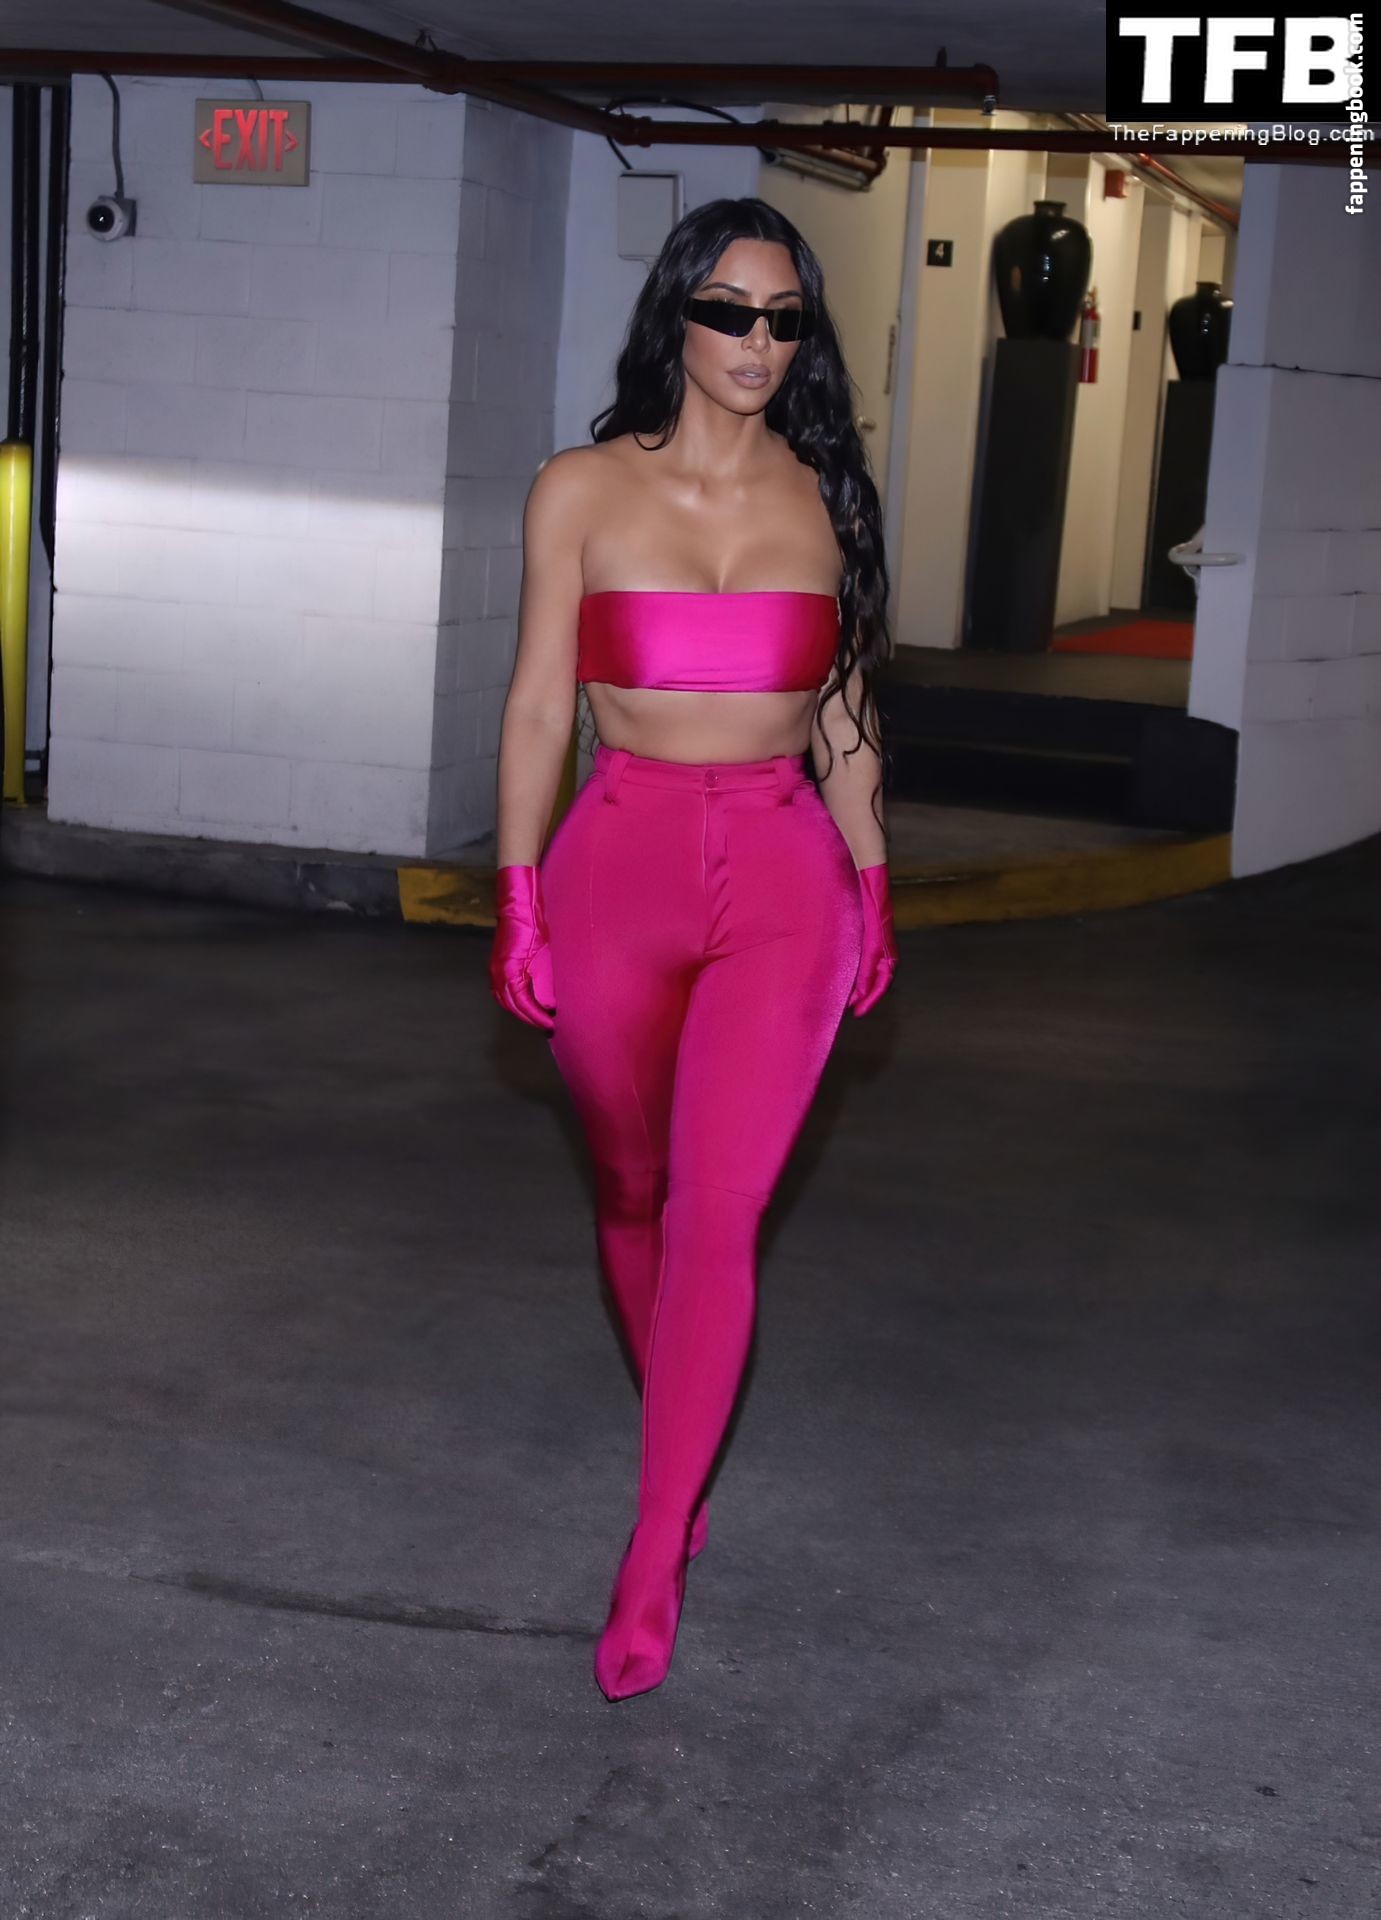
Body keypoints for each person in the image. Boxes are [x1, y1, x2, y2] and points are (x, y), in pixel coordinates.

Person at [489, 196, 898, 1702]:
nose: (755, 342)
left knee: (718, 1214)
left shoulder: (828, 495)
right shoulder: (581, 488)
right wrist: (516, 890)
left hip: (786, 878)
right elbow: (541, 703)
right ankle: (680, 1443)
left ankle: (656, 1543)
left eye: (783, 319)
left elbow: (846, 715)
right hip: (618, 864)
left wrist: (874, 881)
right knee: (629, 1187)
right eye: (729, 310)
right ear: (678, 315)